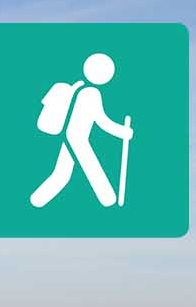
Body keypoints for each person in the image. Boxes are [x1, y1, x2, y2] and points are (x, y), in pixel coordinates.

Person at [30, 52, 133, 208]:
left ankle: (37, 200)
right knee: (91, 169)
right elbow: (102, 121)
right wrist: (123, 132)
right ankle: (109, 200)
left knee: (62, 173)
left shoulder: (76, 87)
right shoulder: (92, 93)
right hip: (77, 138)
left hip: (68, 135)